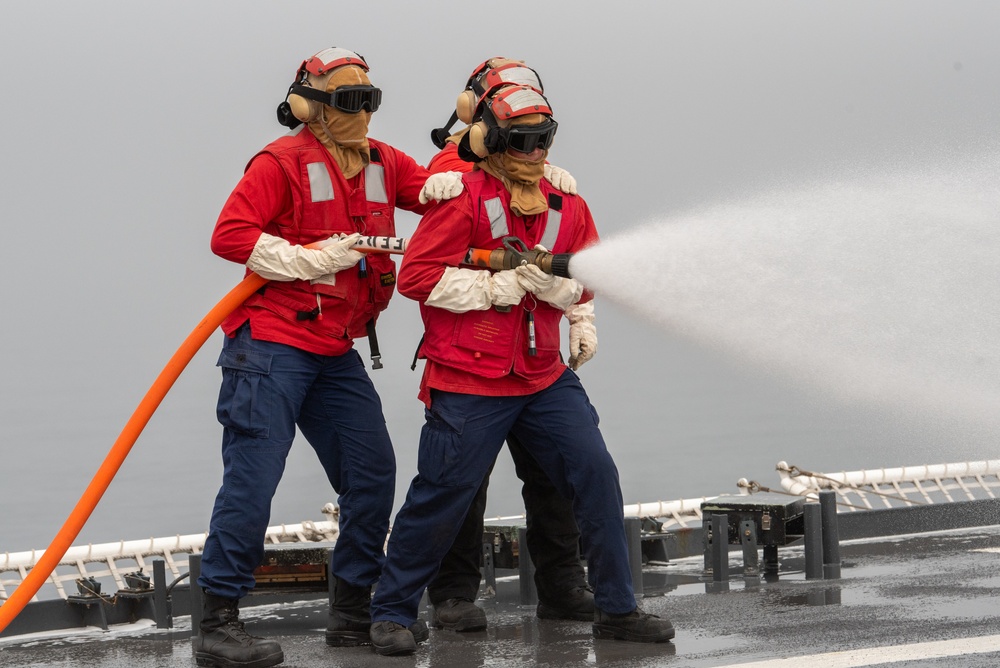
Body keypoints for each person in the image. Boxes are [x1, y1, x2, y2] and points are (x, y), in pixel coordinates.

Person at [368, 82, 675, 656]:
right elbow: (415, 277)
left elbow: (589, 276)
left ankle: (616, 609)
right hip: (468, 379)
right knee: (442, 493)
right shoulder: (460, 197)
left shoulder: (569, 206)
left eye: (545, 139)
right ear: (491, 140)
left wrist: (568, 298)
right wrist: (494, 287)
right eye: (524, 140)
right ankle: (391, 612)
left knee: (596, 474)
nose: (537, 152)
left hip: (541, 376)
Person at [194, 47, 464, 667]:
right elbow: (229, 234)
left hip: (334, 350)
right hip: (270, 345)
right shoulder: (279, 162)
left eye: (369, 102)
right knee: (253, 483)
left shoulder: (383, 161)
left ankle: (350, 615)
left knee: (371, 475)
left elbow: (436, 190)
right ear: (309, 106)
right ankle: (218, 623)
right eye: (349, 103)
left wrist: (475, 162)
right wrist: (305, 260)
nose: (362, 115)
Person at [423, 58, 594, 632]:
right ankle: (452, 592)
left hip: (536, 357)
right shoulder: (452, 168)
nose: (532, 146)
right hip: (472, 357)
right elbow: (427, 262)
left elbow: (571, 249)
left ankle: (564, 583)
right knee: (459, 483)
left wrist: (580, 316)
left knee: (554, 475)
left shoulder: (549, 175)